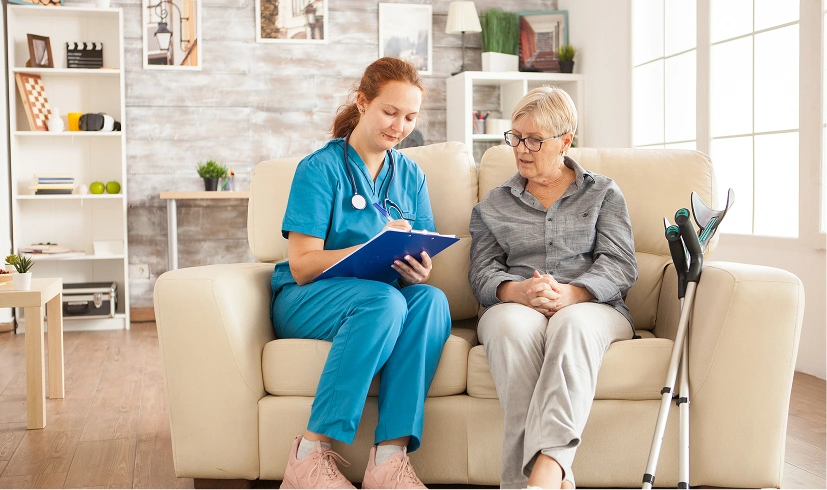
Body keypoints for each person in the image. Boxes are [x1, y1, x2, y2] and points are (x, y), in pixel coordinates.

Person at [270, 57, 451, 489]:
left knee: (431, 301)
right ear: (362, 101)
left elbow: (424, 246)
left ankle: (389, 460)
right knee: (382, 299)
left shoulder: (410, 175)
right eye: (390, 112)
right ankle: (308, 455)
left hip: (380, 298)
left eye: (410, 117)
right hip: (308, 298)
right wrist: (367, 248)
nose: (399, 126)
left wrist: (418, 268)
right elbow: (302, 263)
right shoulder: (320, 169)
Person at [468, 86, 637, 489]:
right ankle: (552, 474)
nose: (521, 149)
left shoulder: (603, 193)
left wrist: (571, 294)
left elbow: (621, 264)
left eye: (534, 140)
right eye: (515, 137)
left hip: (592, 307)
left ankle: (543, 473)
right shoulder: (493, 204)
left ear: (566, 140)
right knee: (509, 328)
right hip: (516, 304)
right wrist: (517, 292)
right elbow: (480, 274)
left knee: (571, 325)